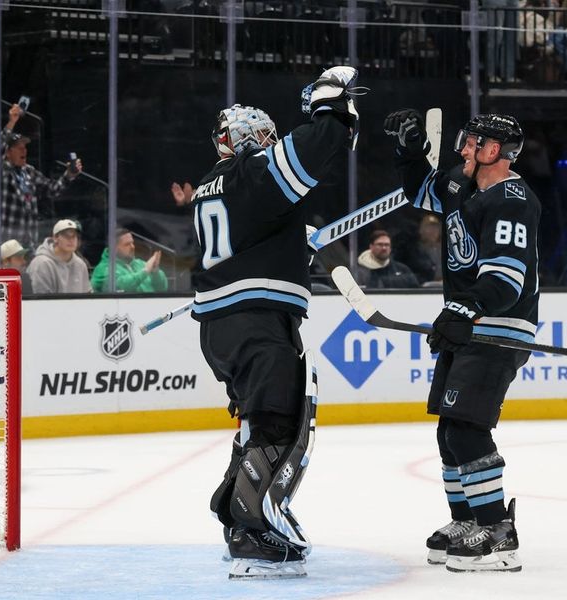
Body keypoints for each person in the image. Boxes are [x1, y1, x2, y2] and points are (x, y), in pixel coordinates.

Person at [191, 66, 360, 580]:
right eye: (263, 137)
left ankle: (241, 519)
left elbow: (250, 237)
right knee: (282, 423)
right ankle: (252, 532)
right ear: (244, 141)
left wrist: (290, 245)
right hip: (257, 322)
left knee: (257, 423)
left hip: (224, 326)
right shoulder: (251, 174)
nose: (271, 143)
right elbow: (316, 146)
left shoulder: (209, 185)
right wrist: (329, 103)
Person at [384, 109, 539, 573]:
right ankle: (466, 518)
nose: (464, 148)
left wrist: (463, 308)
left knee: (466, 428)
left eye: (473, 143)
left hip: (498, 327)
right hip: (469, 325)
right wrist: (409, 153)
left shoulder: (513, 198)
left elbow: (506, 278)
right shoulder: (461, 186)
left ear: (494, 151)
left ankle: (497, 531)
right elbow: (420, 192)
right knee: (448, 432)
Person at [2, 103, 83, 249]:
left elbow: (53, 190)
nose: (24, 150)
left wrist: (69, 174)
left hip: (30, 243)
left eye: (25, 147)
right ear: (8, 153)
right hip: (9, 243)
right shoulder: (3, 171)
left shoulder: (29, 171)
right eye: (19, 148)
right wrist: (12, 122)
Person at [90, 228, 168, 293]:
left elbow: (163, 288)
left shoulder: (140, 264)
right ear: (114, 248)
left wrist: (155, 273)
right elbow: (120, 286)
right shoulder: (104, 269)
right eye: (127, 244)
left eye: (132, 243)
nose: (133, 247)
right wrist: (145, 272)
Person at [26, 219, 92, 294]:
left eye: (74, 236)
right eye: (66, 236)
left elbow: (88, 294)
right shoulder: (41, 263)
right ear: (55, 238)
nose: (71, 240)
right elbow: (40, 300)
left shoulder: (81, 264)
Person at [355, 229, 420, 289]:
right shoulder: (360, 271)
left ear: (390, 248)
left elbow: (416, 289)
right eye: (380, 244)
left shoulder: (402, 269)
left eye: (387, 245)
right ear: (371, 246)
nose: (384, 248)